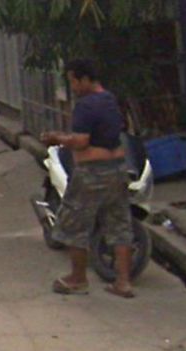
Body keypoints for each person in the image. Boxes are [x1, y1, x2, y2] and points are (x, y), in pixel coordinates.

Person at [40, 59, 135, 299]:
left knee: (75, 223)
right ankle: (123, 282)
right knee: (120, 224)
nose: (72, 87)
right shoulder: (110, 99)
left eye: (73, 81)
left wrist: (57, 138)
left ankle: (78, 279)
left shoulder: (86, 105)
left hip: (93, 171)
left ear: (84, 79)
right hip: (118, 168)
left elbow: (81, 141)